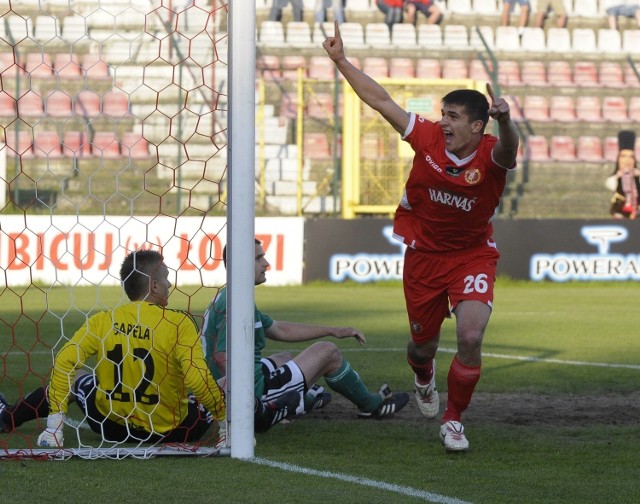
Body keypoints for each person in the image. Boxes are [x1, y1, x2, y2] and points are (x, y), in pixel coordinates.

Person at [322, 20, 519, 452]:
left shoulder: (490, 152)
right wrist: (340, 61)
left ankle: (453, 420)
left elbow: (510, 150)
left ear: (477, 126)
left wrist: (507, 122)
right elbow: (380, 100)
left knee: (470, 335)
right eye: (443, 114)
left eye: (453, 116)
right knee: (422, 344)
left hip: (472, 255)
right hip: (425, 257)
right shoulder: (426, 137)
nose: (443, 122)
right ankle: (423, 376)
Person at [0, 250, 292, 448]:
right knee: (231, 383)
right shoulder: (178, 323)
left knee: (78, 379)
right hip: (174, 431)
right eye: (165, 277)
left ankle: (13, 420)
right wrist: (221, 423)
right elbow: (196, 378)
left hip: (109, 426)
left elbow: (64, 363)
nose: (170, 284)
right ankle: (280, 410)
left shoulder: (103, 321)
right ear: (153, 286)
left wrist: (54, 426)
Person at [200, 239, 410, 430]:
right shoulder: (235, 302)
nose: (266, 263)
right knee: (328, 352)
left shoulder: (229, 294)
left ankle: (305, 398)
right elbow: (221, 358)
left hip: (224, 387)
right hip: (249, 397)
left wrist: (332, 330)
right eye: (258, 258)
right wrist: (246, 407)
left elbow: (279, 329)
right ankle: (370, 405)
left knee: (283, 358)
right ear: (240, 264)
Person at [607, 130, 640, 219]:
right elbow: (611, 185)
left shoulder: (637, 176)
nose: (627, 160)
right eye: (623, 156)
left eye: (631, 157)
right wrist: (618, 176)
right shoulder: (615, 178)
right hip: (620, 212)